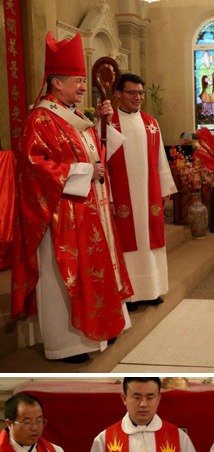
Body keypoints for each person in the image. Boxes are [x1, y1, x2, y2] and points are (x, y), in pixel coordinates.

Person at [11, 33, 130, 364]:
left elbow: (97, 154)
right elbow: (35, 166)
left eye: (82, 81)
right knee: (61, 280)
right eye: (77, 81)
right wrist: (82, 172)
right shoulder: (40, 119)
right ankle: (66, 344)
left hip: (88, 210)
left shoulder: (72, 115)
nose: (82, 86)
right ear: (56, 82)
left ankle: (97, 332)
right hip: (59, 215)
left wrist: (103, 122)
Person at [95, 73, 176, 311]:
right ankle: (128, 295)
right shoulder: (108, 123)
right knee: (125, 242)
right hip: (122, 195)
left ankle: (151, 290)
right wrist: (107, 197)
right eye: (132, 93)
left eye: (141, 93)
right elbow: (101, 159)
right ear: (118, 94)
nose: (138, 97)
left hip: (148, 193)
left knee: (150, 240)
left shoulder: (151, 123)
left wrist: (165, 189)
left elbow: (161, 158)